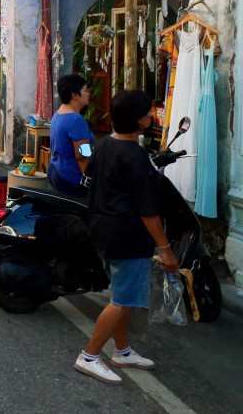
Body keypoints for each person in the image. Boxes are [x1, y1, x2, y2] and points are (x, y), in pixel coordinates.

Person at [75, 90, 177, 385]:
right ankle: (90, 355)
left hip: (104, 231)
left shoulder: (105, 144)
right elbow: (148, 212)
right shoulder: (136, 156)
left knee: (123, 295)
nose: (150, 117)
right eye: (147, 113)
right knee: (122, 299)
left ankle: (122, 350)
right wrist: (165, 248)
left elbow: (89, 173)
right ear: (138, 120)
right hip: (127, 236)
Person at [49, 74, 93, 197]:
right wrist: (90, 181)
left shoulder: (58, 114)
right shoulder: (75, 120)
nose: (88, 93)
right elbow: (82, 155)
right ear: (74, 95)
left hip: (56, 171)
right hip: (71, 177)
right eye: (85, 90)